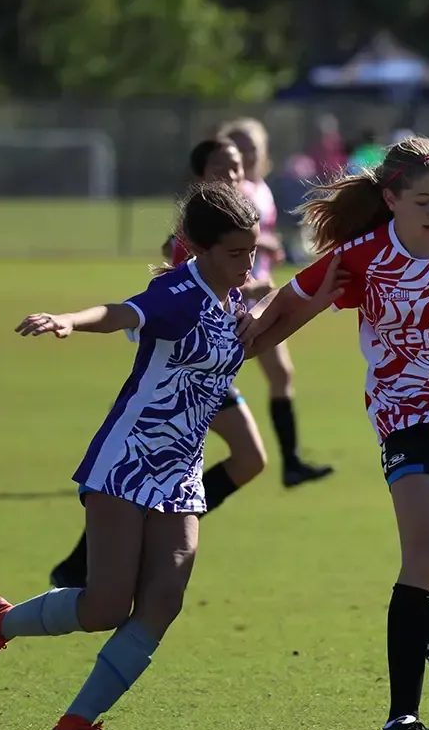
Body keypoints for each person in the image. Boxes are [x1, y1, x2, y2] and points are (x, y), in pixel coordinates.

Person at [0, 182, 346, 730]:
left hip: (181, 470)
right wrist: (68, 319)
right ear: (199, 249)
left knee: (164, 599)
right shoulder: (178, 293)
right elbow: (120, 312)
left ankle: (74, 727)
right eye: (235, 254)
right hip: (127, 461)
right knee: (105, 605)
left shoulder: (230, 299)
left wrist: (317, 298)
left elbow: (251, 342)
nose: (247, 264)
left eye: (251, 252)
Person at [241, 137, 429, 730]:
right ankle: (402, 720)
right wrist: (243, 345)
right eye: (423, 199)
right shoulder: (366, 254)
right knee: (422, 557)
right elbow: (290, 303)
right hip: (404, 415)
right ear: (391, 198)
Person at [48, 138, 270, 589]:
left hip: (214, 362)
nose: (231, 175)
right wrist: (70, 319)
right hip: (192, 362)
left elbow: (231, 293)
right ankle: (103, 549)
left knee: (249, 459)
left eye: (237, 167)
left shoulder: (241, 227)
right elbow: (142, 307)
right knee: (243, 457)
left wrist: (261, 291)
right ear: (199, 175)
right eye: (220, 167)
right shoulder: (198, 237)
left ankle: (147, 528)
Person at [220, 117, 335, 488]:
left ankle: (290, 462)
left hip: (260, 293)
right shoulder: (234, 191)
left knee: (278, 374)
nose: (247, 153)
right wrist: (264, 243)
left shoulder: (260, 187)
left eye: (252, 146)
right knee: (212, 375)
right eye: (239, 146)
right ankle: (290, 462)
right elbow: (227, 239)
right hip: (239, 297)